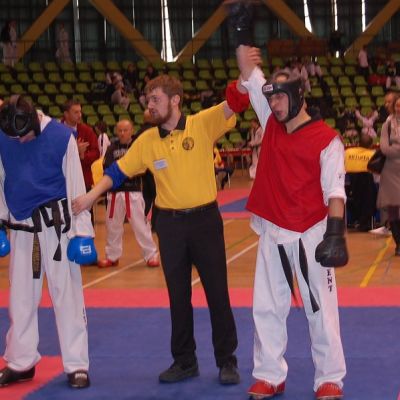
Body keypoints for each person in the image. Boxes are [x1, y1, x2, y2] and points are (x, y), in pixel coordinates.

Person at [72, 74, 245, 385]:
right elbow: (116, 171)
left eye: (156, 99)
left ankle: (226, 360)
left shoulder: (202, 124)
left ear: (175, 100)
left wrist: (245, 77)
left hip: (205, 222)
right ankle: (185, 361)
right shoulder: (147, 140)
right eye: (148, 99)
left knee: (217, 293)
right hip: (170, 226)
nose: (149, 105)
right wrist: (90, 196)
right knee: (178, 296)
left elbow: (235, 103)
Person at [235, 45, 348, 400]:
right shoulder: (271, 123)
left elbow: (335, 191)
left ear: (299, 95)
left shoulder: (327, 139)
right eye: (271, 98)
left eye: (281, 97)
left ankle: (329, 377)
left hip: (312, 233)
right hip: (272, 230)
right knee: (266, 306)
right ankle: (269, 374)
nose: (274, 104)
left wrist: (335, 235)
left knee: (321, 309)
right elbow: (250, 73)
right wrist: (240, 38)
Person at [0, 95, 97, 388]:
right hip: (21, 227)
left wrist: (82, 232)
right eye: (14, 137)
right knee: (20, 299)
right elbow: (1, 181)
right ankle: (21, 361)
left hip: (57, 229)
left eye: (24, 135)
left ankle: (77, 365)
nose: (20, 141)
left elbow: (76, 187)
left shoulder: (60, 136)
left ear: (33, 122)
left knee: (67, 297)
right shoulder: (4, 136)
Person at [98, 119, 160, 268]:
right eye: (119, 130)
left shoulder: (137, 146)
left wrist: (125, 171)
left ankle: (151, 255)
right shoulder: (112, 148)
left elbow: (142, 168)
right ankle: (112, 256)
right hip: (114, 193)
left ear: (131, 130)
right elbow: (108, 167)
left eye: (125, 130)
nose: (122, 133)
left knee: (140, 225)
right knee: (112, 226)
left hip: (133, 192)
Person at [376, 94, 400, 255]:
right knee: (394, 212)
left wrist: (395, 148)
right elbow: (384, 148)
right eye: (397, 105)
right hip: (390, 173)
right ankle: (399, 244)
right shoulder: (387, 124)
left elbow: (391, 148)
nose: (399, 108)